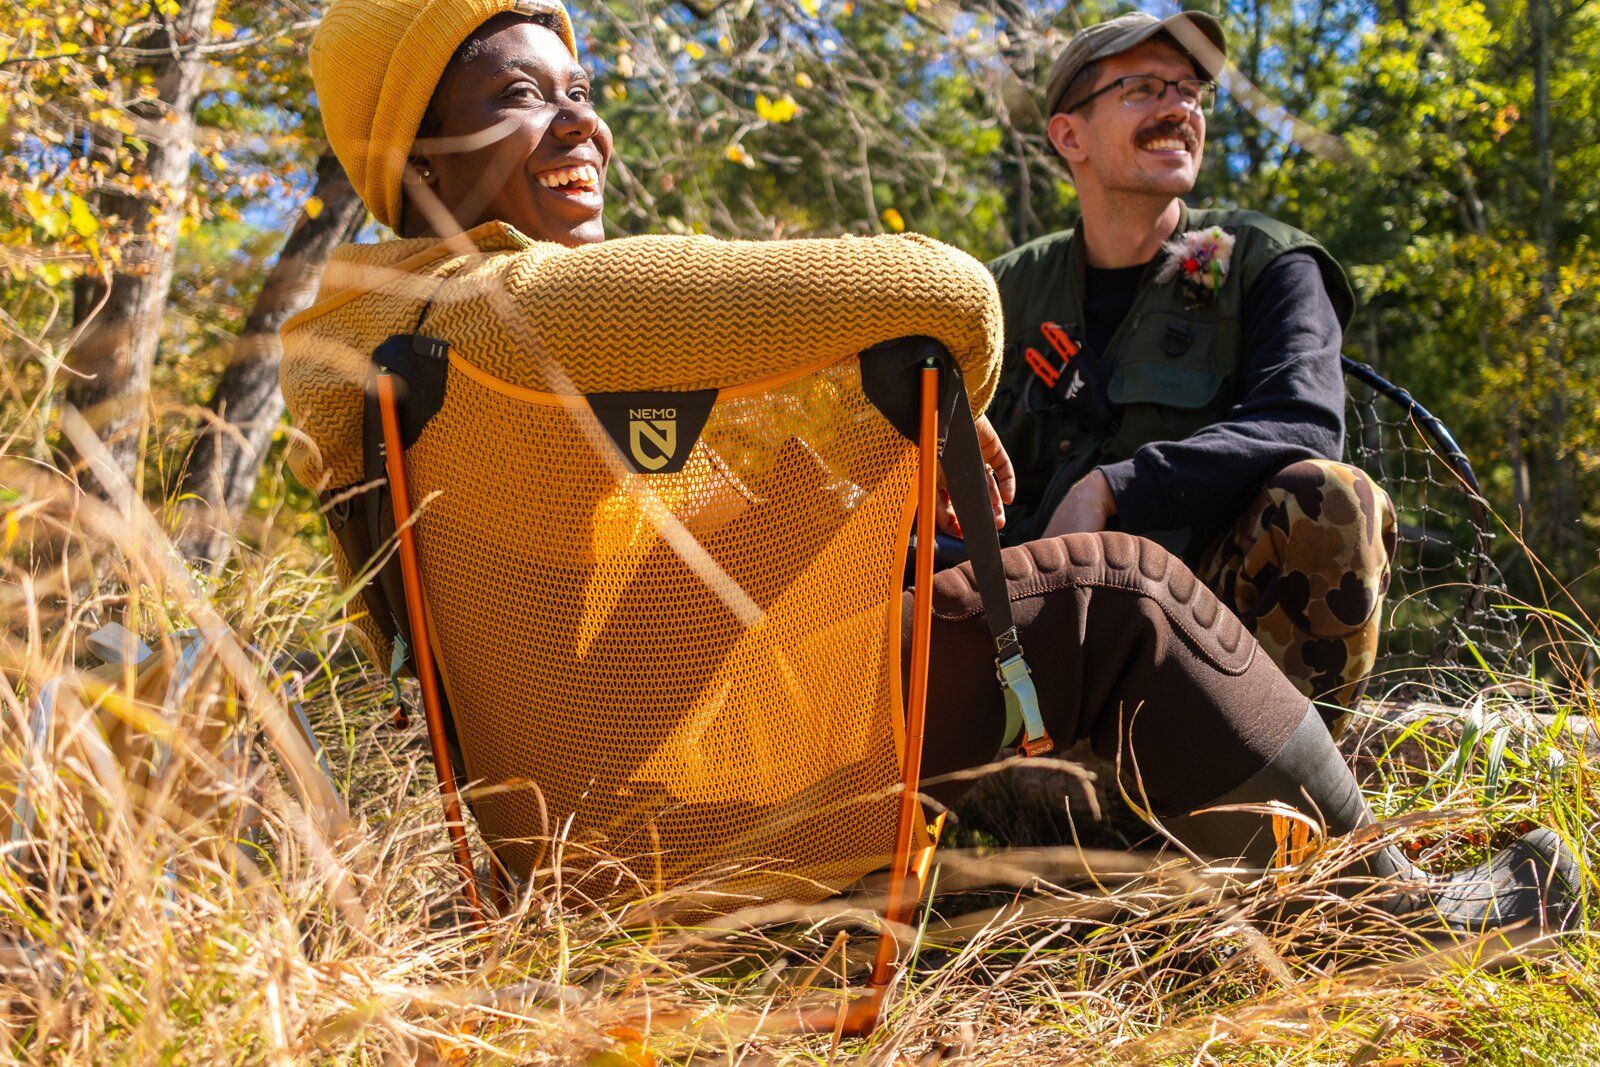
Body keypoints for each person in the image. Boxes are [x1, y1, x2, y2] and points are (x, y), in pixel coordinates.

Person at [286, 0, 1578, 933]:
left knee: (1113, 571)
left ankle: (1221, 863)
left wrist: (824, 499)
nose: (582, 124)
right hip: (663, 823)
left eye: (581, 89)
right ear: (412, 154)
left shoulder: (428, 344)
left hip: (621, 801)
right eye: (523, 93)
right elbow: (931, 289)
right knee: (1106, 594)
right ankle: (1378, 909)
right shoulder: (461, 316)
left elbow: (628, 621)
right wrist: (952, 346)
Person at [981, 12, 1394, 723]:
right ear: (1068, 135)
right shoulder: (998, 291)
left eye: (1190, 92)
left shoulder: (1266, 263)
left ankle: (1264, 806)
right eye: (1142, 88)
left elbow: (1304, 424)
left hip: (1204, 631)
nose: (1179, 108)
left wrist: (1114, 488)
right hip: (1014, 626)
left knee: (1333, 496)